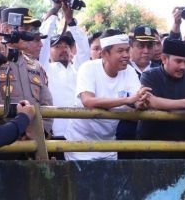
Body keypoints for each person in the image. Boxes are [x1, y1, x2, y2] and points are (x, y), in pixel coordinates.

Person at [63, 30, 150, 161]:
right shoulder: (88, 68)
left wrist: (141, 103)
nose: (126, 55)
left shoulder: (129, 71)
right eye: (120, 51)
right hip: (79, 144)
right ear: (104, 54)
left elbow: (137, 99)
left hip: (109, 144)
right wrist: (127, 100)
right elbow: (88, 101)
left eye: (127, 50)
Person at [0, 7, 53, 136]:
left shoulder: (36, 65)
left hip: (36, 141)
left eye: (31, 30)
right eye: (25, 29)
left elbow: (47, 103)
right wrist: (20, 130)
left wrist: (40, 131)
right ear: (6, 30)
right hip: (4, 141)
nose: (30, 35)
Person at [138, 38, 185, 150]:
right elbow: (152, 101)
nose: (183, 67)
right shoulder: (149, 76)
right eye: (178, 61)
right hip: (153, 144)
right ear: (164, 59)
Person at [47, 31, 78, 137]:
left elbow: (83, 50)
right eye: (58, 46)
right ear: (48, 50)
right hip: (56, 131)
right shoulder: (45, 69)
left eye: (66, 46)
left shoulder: (78, 69)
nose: (64, 49)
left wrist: (72, 23)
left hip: (79, 131)